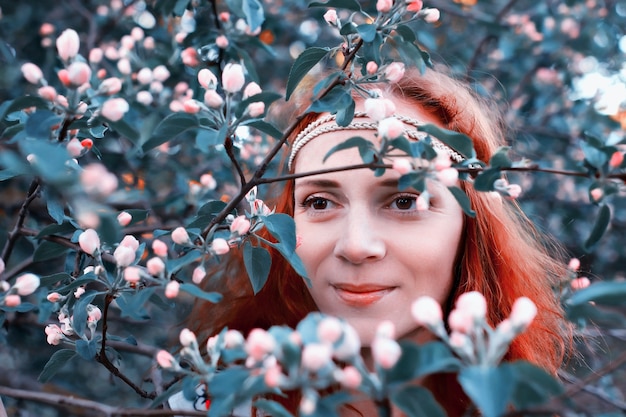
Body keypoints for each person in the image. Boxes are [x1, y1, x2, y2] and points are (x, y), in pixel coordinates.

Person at [186, 66, 572, 416]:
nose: (355, 246)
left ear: (471, 227)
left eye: (405, 201)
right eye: (320, 202)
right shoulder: (212, 404)